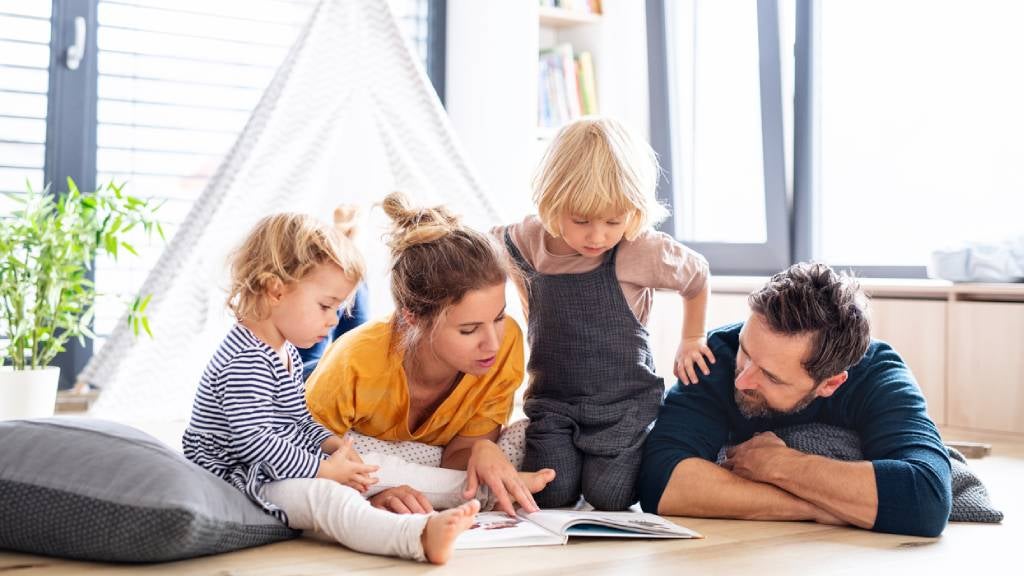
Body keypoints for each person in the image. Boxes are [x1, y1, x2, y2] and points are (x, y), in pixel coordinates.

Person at [182, 212, 479, 565]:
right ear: (275, 290)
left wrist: (333, 444)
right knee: (328, 497)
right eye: (326, 306)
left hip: (276, 467)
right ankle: (416, 537)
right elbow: (255, 441)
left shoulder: (284, 350)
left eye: (338, 308)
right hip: (244, 482)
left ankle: (483, 491)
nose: (335, 319)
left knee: (372, 465)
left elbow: (299, 421)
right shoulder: (245, 359)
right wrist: (323, 470)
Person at [492, 116, 713, 510]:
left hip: (622, 407)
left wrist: (692, 337)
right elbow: (477, 250)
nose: (598, 237)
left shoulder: (637, 249)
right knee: (552, 494)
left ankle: (645, 442)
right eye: (581, 221)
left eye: (614, 220)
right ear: (552, 202)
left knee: (610, 496)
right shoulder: (526, 240)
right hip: (553, 403)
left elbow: (696, 276)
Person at [639, 262, 953, 538]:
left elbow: (928, 499)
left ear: (831, 383)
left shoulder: (878, 375)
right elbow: (660, 481)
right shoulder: (716, 355)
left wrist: (778, 465)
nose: (742, 379)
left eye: (771, 376)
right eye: (746, 352)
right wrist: (823, 507)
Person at [306, 192, 556, 518]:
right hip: (315, 378)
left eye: (497, 317)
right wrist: (370, 495)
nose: (492, 344)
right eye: (468, 330)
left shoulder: (505, 342)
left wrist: (482, 448)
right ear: (412, 315)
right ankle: (344, 246)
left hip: (383, 353)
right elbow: (303, 455)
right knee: (314, 335)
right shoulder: (354, 361)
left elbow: (454, 461)